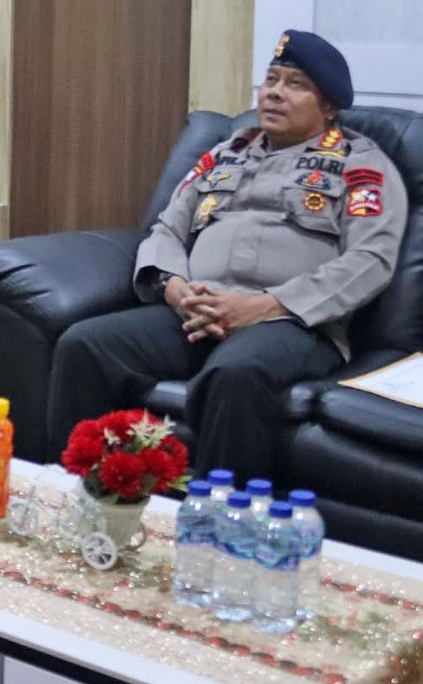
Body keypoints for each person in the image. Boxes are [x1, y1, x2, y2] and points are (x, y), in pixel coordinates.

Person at [46, 30, 407, 481]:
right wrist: (175, 289)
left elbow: (371, 259)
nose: (274, 92)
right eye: (271, 79)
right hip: (197, 310)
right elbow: (166, 228)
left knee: (235, 373)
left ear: (329, 107)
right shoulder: (225, 154)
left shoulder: (360, 164)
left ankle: (216, 518)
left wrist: (267, 305)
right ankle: (75, 498)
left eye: (295, 84)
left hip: (292, 323)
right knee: (86, 345)